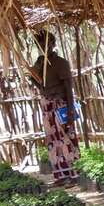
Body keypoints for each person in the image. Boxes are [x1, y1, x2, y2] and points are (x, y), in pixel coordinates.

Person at [30, 31, 80, 186]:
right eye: (39, 45)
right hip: (47, 108)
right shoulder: (39, 63)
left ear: (52, 44)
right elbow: (40, 86)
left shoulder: (61, 63)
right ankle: (60, 176)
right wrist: (33, 78)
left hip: (61, 105)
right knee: (53, 143)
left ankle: (74, 175)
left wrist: (71, 111)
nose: (43, 48)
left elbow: (68, 87)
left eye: (46, 44)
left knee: (66, 140)